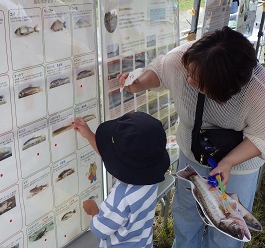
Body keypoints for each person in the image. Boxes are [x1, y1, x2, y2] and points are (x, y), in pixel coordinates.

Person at [118, 26, 265, 248]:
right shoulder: (183, 59)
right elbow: (160, 70)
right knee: (186, 212)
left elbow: (260, 136)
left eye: (198, 81)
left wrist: (228, 162)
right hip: (192, 151)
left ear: (226, 89)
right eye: (189, 72)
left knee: (227, 226)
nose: (188, 80)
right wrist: (141, 82)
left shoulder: (258, 90)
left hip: (240, 164)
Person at [73, 112, 170, 248]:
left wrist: (93, 209)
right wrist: (89, 134)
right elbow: (116, 156)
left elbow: (100, 229)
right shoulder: (151, 178)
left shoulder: (120, 199)